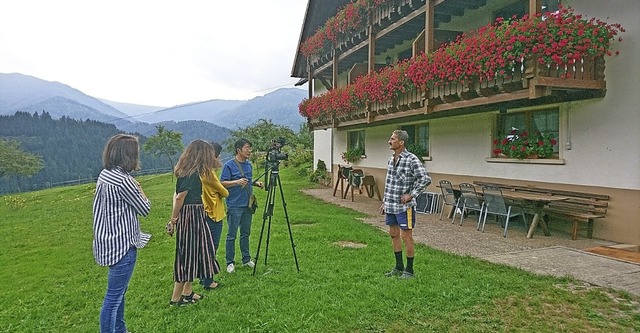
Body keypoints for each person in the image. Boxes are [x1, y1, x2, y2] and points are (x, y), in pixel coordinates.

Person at [93, 134, 151, 333]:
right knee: (113, 298)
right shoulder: (124, 181)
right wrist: (140, 190)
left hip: (107, 241)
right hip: (123, 244)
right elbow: (145, 209)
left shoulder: (105, 175)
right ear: (129, 155)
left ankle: (121, 330)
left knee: (118, 294)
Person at [167, 140, 221, 306]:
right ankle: (176, 299)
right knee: (188, 255)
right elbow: (179, 198)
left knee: (197, 252)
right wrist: (173, 220)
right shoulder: (190, 175)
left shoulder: (190, 171)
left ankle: (188, 291)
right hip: (191, 216)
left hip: (196, 215)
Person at [379, 130, 431, 279]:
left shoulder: (411, 159)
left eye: (392, 139)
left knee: (406, 237)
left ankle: (409, 270)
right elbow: (389, 184)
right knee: (394, 235)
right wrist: (384, 202)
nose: (389, 141)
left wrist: (412, 195)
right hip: (391, 206)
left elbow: (425, 179)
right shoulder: (391, 160)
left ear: (401, 142)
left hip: (404, 207)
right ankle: (398, 266)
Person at [220, 138, 262, 273]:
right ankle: (230, 262)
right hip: (234, 205)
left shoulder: (249, 165)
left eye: (250, 148)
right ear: (239, 150)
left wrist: (255, 183)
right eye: (247, 148)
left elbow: (248, 181)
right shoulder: (229, 165)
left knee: (245, 233)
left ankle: (246, 259)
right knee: (232, 234)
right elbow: (222, 183)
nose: (249, 151)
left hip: (248, 204)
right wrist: (236, 182)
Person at [199, 142, 228, 289]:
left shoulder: (197, 170)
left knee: (205, 246)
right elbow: (224, 192)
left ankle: (204, 277)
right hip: (213, 213)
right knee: (212, 247)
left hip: (203, 212)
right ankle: (208, 280)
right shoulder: (209, 172)